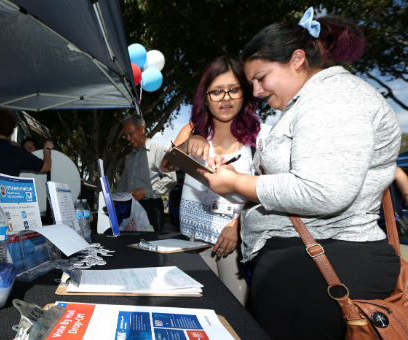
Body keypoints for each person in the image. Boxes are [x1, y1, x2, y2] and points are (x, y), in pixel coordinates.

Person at [201, 9, 401, 339]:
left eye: (261, 77)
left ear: (297, 59)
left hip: (323, 268)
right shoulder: (311, 102)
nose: (256, 90)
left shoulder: (334, 97)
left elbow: (323, 190)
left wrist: (237, 182)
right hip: (308, 265)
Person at [163, 55, 266, 306]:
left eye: (233, 90)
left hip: (234, 245)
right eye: (217, 92)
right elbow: (165, 164)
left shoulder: (260, 138)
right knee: (199, 313)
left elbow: (268, 192)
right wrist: (189, 143)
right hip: (193, 241)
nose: (226, 98)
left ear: (245, 93)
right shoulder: (192, 130)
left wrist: (237, 226)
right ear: (206, 99)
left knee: (235, 314)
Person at [0, 108, 54, 215]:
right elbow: (46, 167)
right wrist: (47, 150)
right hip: (9, 214)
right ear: (12, 131)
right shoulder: (19, 153)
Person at [117, 114, 176, 232]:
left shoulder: (159, 151)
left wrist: (146, 192)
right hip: (130, 209)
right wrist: (115, 200)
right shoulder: (129, 157)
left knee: (151, 246)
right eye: (126, 135)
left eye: (131, 134)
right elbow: (123, 183)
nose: (128, 138)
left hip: (152, 209)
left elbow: (171, 178)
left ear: (142, 129)